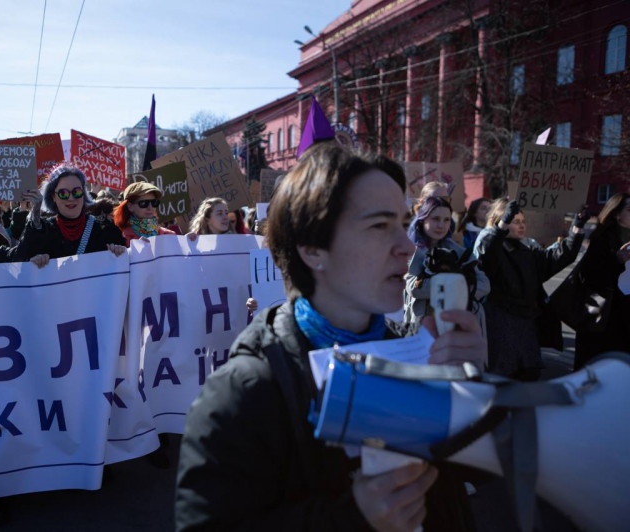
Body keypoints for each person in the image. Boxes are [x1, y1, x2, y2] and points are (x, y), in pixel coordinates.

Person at [176, 143, 485, 531]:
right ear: (312, 251)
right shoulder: (243, 392)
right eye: (379, 225)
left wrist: (470, 395)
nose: (407, 245)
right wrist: (352, 518)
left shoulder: (418, 354)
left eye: (402, 221)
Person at [474, 198, 587, 380]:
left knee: (528, 378)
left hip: (527, 327)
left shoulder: (528, 252)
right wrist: (502, 224)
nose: (522, 226)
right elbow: (488, 254)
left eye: (523, 221)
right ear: (500, 222)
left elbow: (559, 256)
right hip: (501, 325)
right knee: (502, 381)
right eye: (515, 221)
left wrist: (577, 228)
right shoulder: (491, 247)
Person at [404, 196, 490, 334]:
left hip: (457, 327)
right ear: (423, 219)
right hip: (422, 328)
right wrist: (458, 285)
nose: (441, 225)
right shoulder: (410, 251)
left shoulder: (459, 252)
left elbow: (484, 285)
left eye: (446, 220)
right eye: (435, 219)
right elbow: (415, 289)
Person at [15, 164, 126, 267]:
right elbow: (20, 261)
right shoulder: (43, 231)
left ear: (83, 193)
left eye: (76, 191)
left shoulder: (105, 229)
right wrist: (34, 262)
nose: (71, 198)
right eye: (63, 193)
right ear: (53, 196)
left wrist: (120, 252)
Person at [573, 193, 630, 369]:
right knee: (599, 366)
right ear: (616, 213)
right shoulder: (601, 237)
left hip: (627, 315)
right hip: (604, 314)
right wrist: (616, 260)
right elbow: (589, 274)